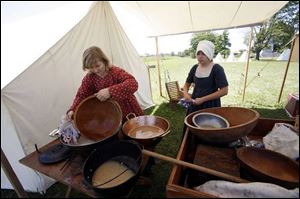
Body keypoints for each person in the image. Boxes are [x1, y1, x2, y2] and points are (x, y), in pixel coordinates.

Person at [66, 46, 144, 121]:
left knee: (132, 132)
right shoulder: (89, 78)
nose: (95, 70)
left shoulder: (116, 72)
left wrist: (110, 91)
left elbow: (133, 83)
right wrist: (73, 109)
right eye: (91, 67)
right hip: (109, 114)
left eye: (97, 66)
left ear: (104, 61)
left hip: (128, 110)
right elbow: (81, 95)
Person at [182, 40, 229, 116]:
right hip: (195, 104)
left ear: (209, 54)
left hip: (211, 106)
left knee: (208, 126)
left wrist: (203, 99)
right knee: (193, 125)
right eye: (198, 53)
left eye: (203, 53)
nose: (200, 56)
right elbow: (186, 85)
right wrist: (186, 94)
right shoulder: (194, 68)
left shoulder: (217, 69)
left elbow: (224, 91)